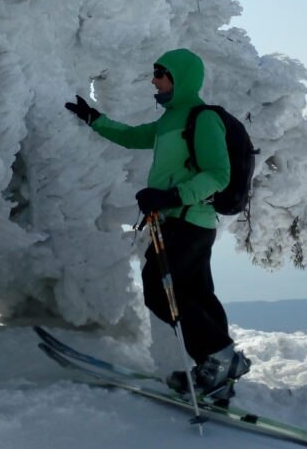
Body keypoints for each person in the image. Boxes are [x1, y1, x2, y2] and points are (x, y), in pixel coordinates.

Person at [64, 47, 251, 399]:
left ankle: (219, 359)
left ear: (179, 79)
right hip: (176, 220)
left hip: (189, 220)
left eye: (160, 74)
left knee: (160, 289)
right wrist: (94, 119)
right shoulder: (170, 121)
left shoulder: (202, 118)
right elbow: (134, 136)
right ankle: (221, 368)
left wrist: (170, 197)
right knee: (196, 294)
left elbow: (218, 174)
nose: (154, 79)